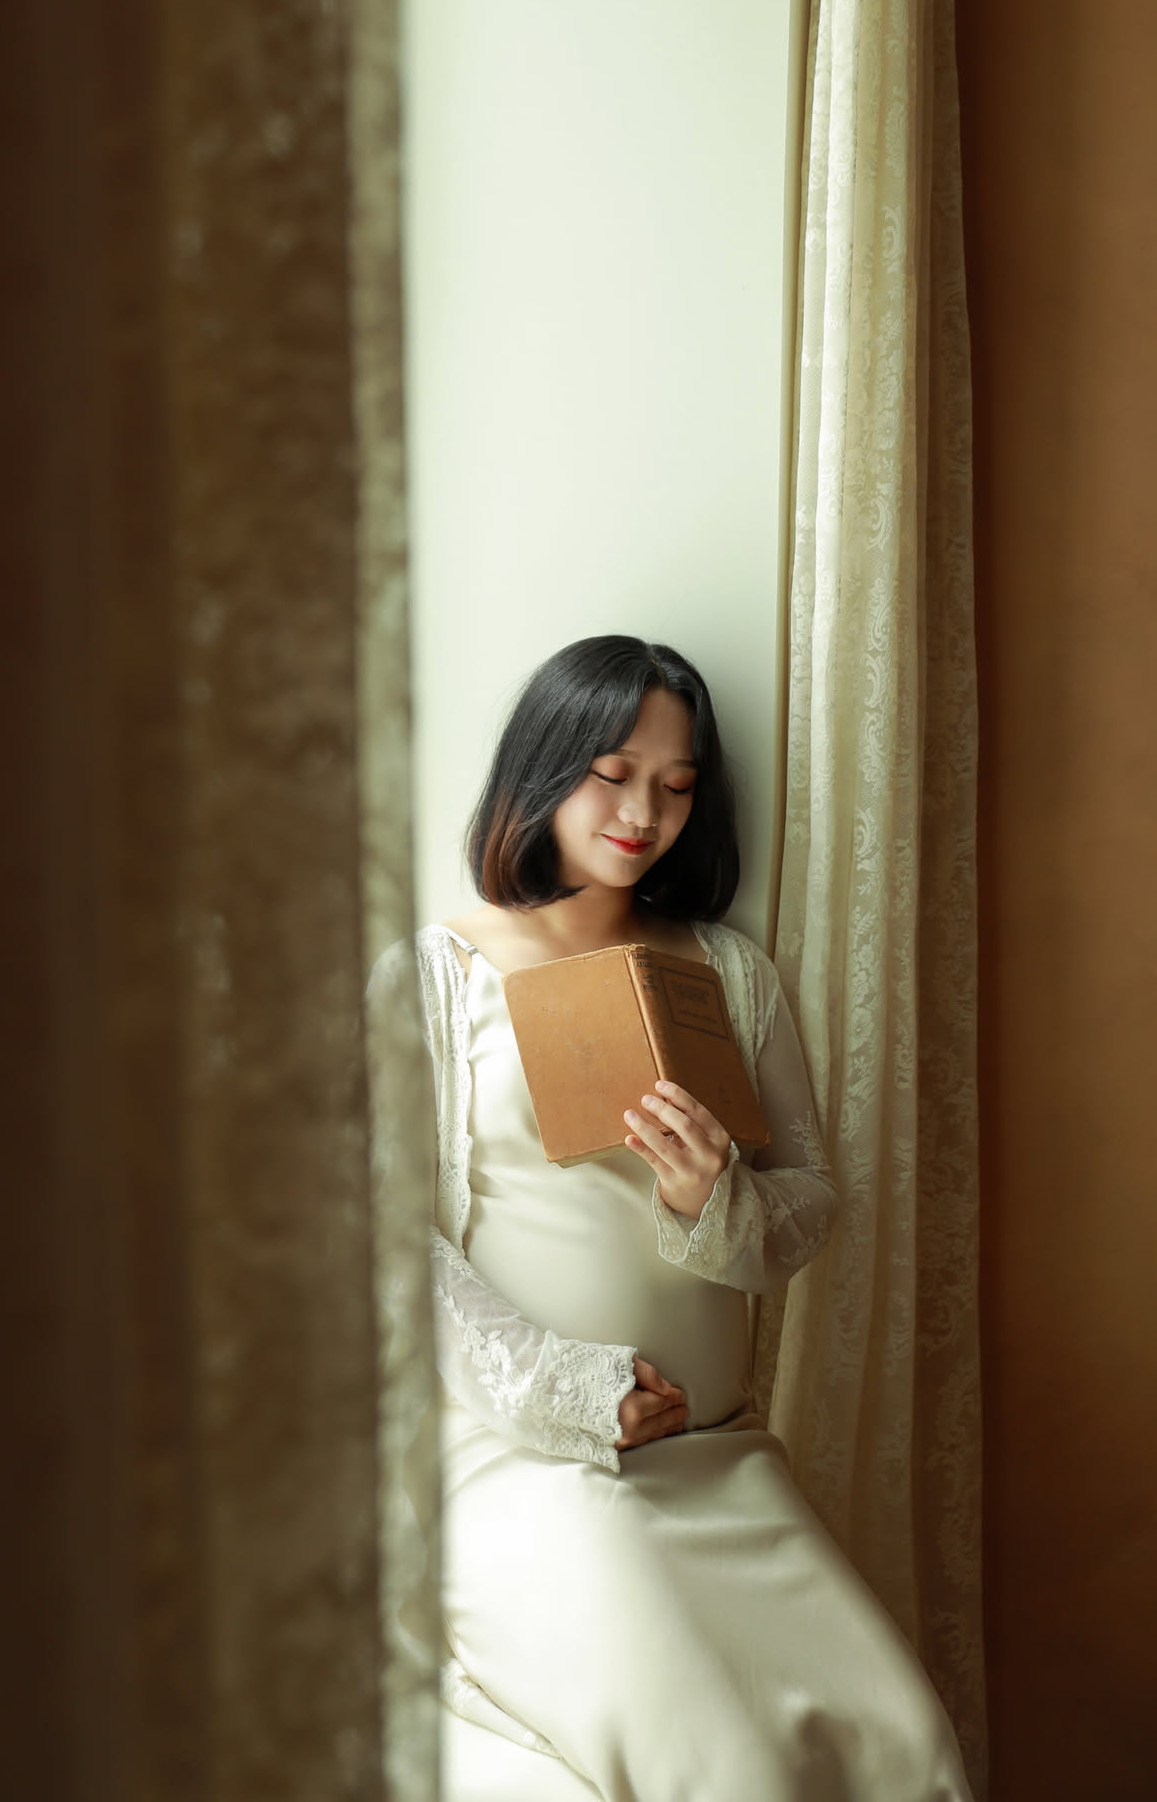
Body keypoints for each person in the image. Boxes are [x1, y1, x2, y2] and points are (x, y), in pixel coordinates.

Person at [378, 635, 972, 1802]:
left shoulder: (726, 971)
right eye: (612, 774)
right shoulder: (436, 975)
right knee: (729, 1762)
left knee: (905, 1738)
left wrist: (714, 1197)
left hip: (715, 1457)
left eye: (677, 785)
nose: (644, 813)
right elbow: (381, 1240)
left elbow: (812, 1200)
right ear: (543, 768)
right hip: (529, 1462)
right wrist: (571, 1390)